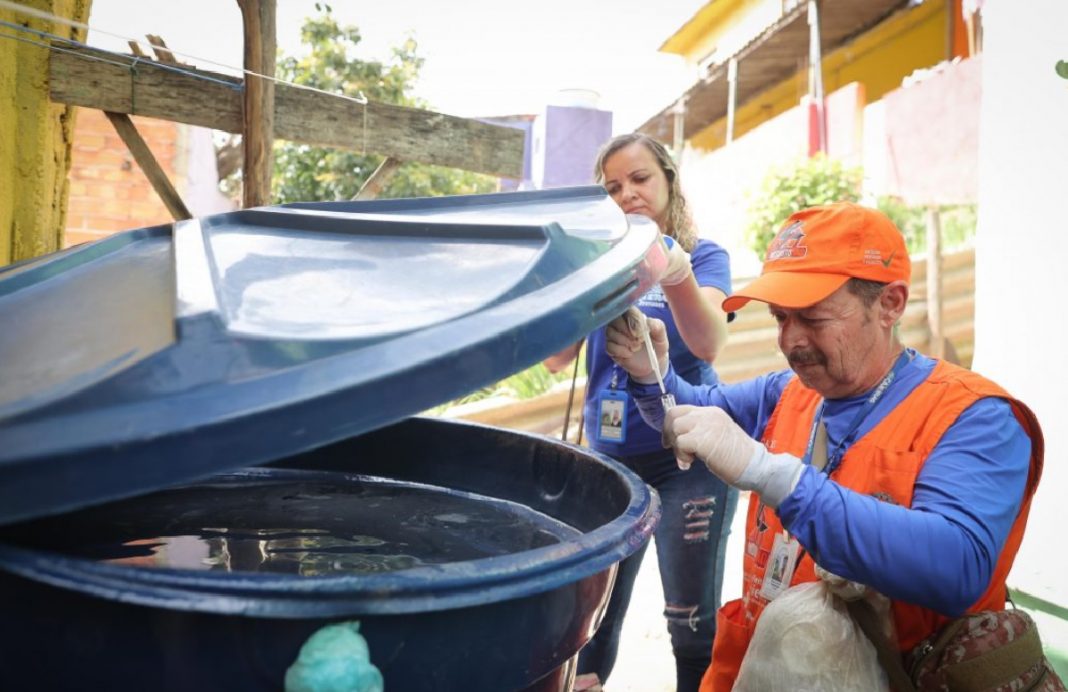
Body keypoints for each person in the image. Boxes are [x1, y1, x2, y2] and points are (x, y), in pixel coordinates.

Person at [604, 202, 1044, 692]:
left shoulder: (975, 417)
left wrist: (774, 476)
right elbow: (691, 413)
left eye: (812, 317)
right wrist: (651, 372)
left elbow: (957, 567)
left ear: (890, 304)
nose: (791, 341)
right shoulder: (790, 392)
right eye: (779, 317)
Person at [545, 133, 738, 692]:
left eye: (640, 179)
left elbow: (708, 345)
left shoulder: (703, 257)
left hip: (687, 463)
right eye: (612, 187)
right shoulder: (598, 263)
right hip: (610, 466)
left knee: (690, 625)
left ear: (669, 181)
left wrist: (672, 271)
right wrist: (574, 282)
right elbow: (558, 360)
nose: (627, 193)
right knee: (591, 621)